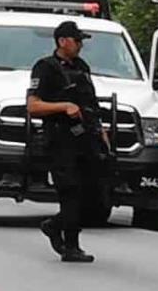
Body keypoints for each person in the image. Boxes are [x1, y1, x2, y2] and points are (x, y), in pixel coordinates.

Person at [27, 20, 110, 263]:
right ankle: (72, 245)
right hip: (61, 138)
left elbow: (90, 103)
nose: (81, 45)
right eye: (77, 40)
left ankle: (55, 225)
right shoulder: (45, 68)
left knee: (94, 191)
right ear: (62, 41)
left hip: (87, 137)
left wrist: (101, 130)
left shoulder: (82, 66)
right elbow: (33, 106)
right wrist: (63, 106)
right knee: (71, 190)